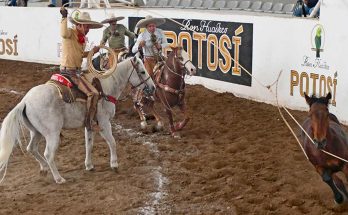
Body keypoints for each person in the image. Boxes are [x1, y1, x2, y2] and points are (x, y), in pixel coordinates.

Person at [59, 8, 103, 131]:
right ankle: (90, 122)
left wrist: (92, 51)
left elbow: (81, 55)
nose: (88, 29)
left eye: (89, 27)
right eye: (86, 26)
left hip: (76, 71)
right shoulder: (70, 33)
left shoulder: (81, 39)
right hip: (71, 72)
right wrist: (64, 18)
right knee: (93, 93)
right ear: (79, 25)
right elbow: (63, 33)